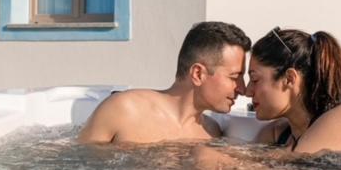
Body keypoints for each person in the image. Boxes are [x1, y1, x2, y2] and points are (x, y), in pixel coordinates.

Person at [78, 21, 251, 144]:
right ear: (198, 74)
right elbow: (79, 169)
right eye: (234, 77)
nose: (242, 89)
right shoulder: (123, 110)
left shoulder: (212, 132)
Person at [246, 27, 341, 154]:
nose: (248, 92)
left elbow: (288, 163)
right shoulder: (278, 133)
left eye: (255, 80)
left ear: (289, 79)